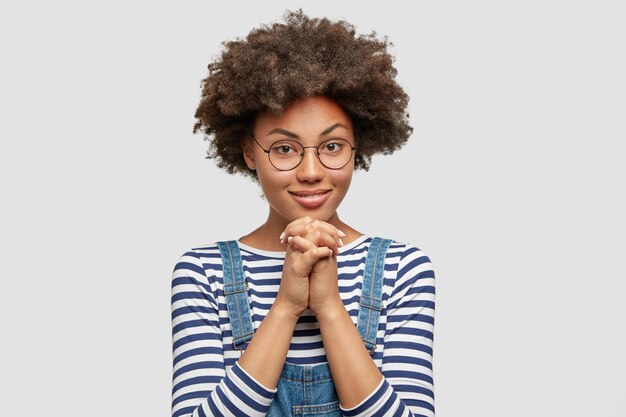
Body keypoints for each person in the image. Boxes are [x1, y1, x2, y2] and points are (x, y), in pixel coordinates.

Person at [171, 10, 435, 417]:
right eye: (284, 149)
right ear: (248, 152)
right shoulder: (203, 273)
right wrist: (286, 307)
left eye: (331, 147)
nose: (311, 172)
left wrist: (329, 307)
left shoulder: (403, 269)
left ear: (357, 148)